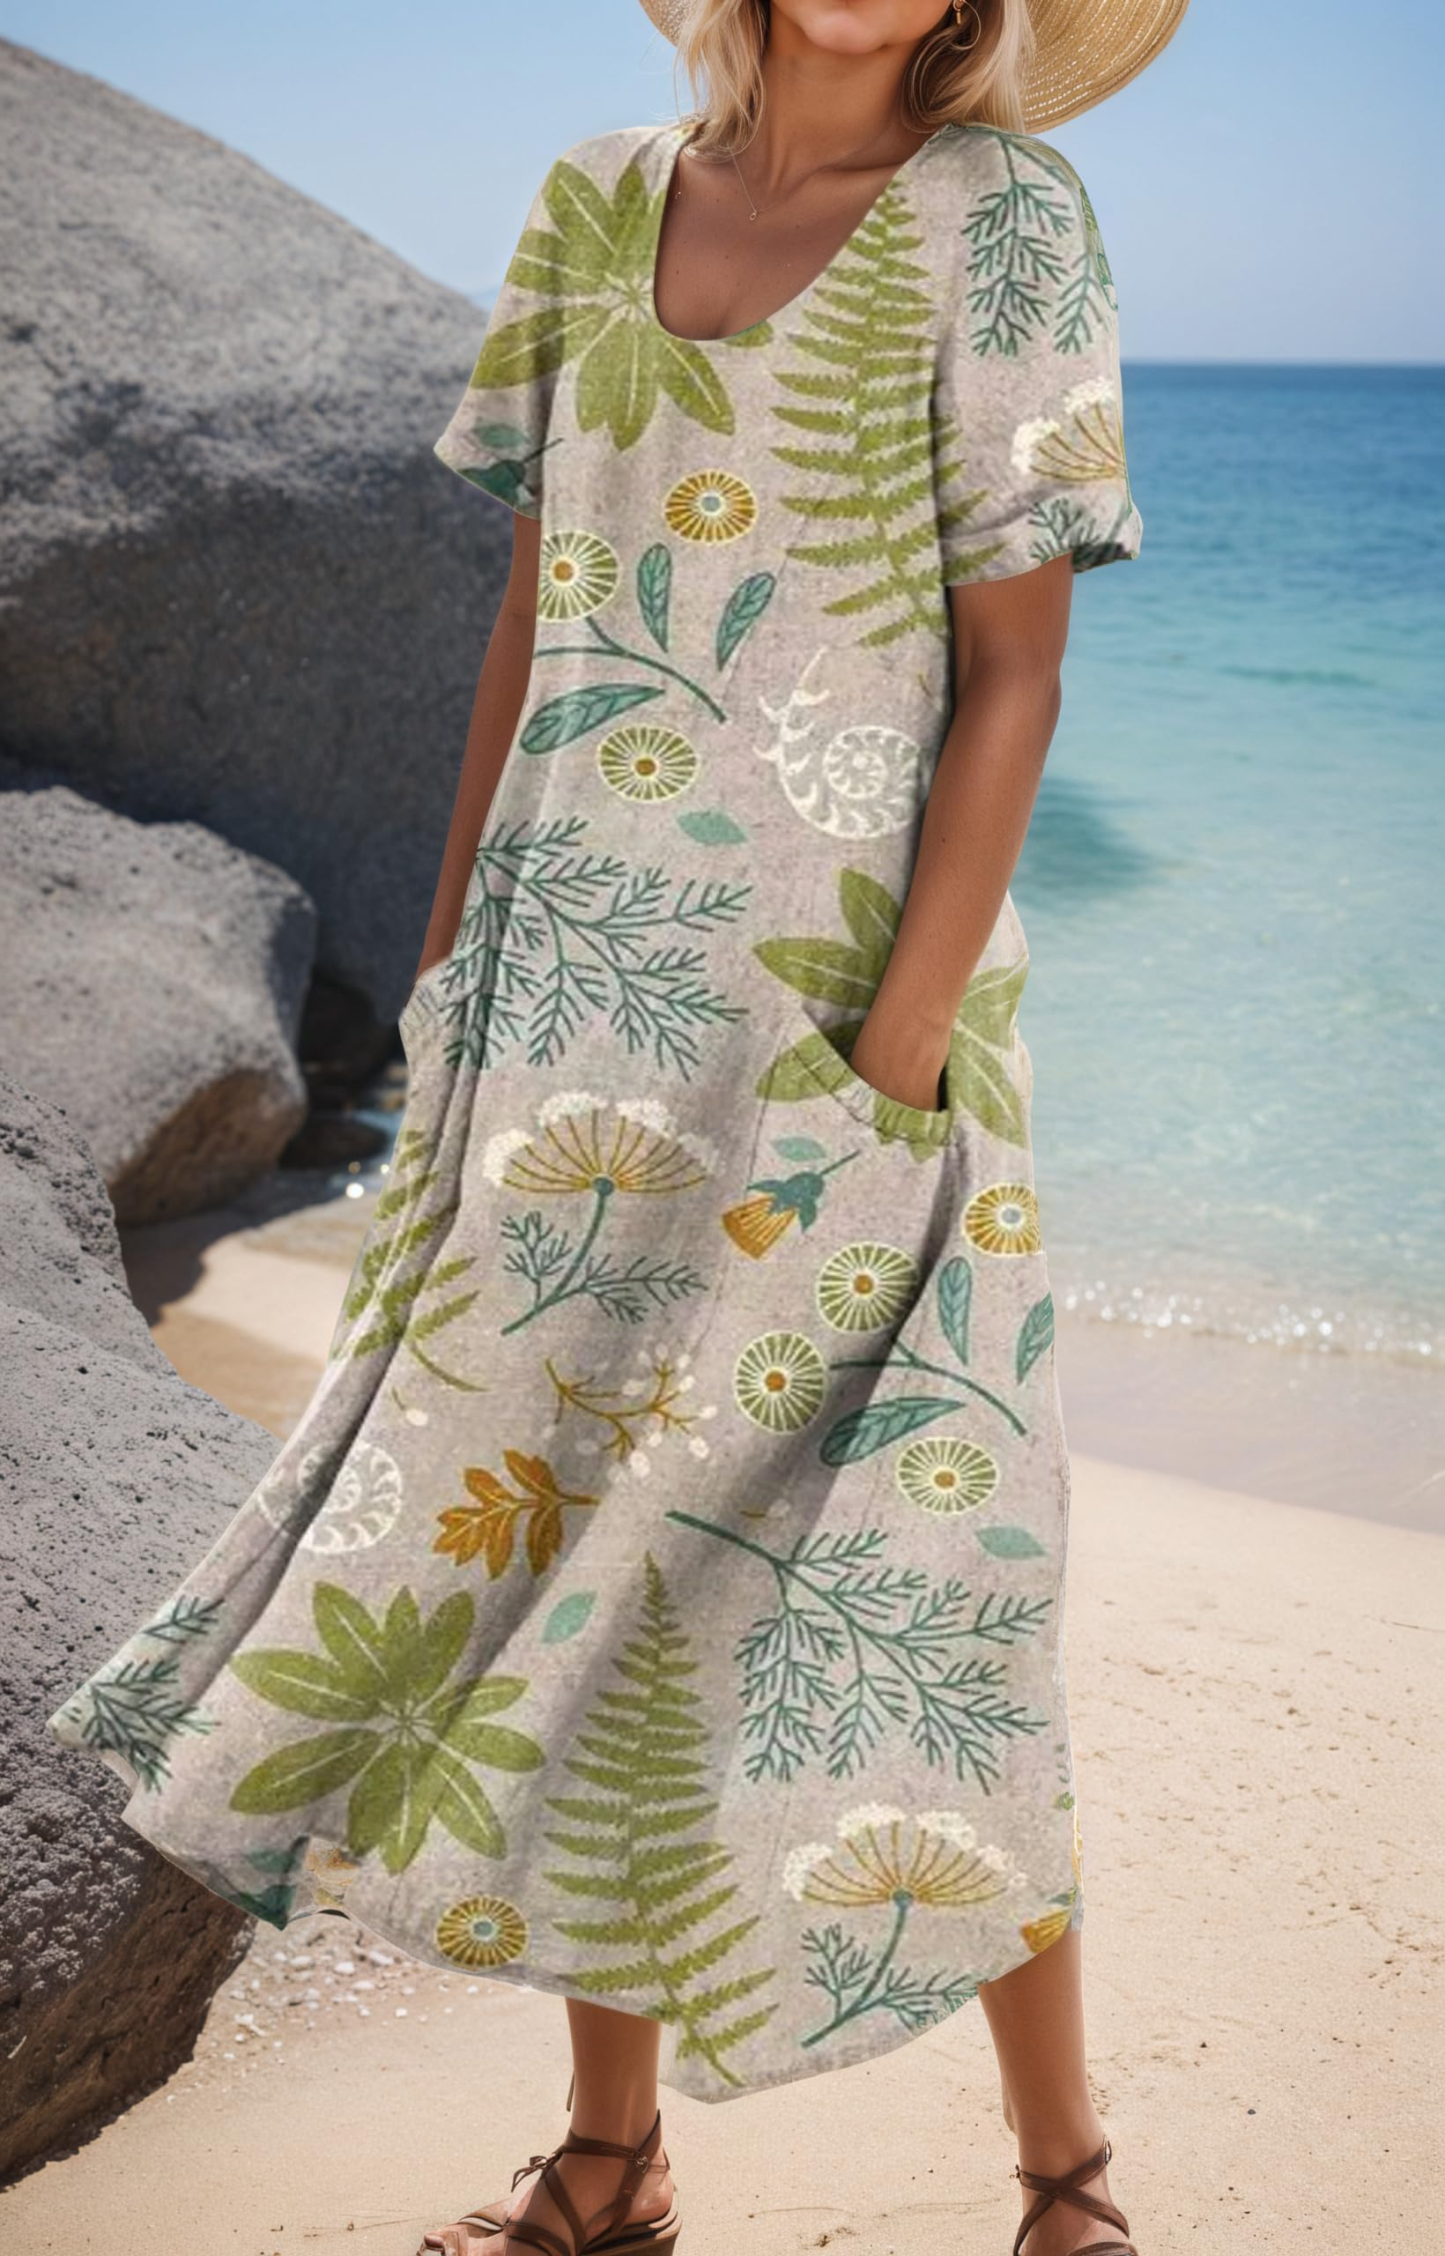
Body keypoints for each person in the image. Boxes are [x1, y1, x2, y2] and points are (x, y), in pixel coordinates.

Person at [47, 1, 1186, 2249]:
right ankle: (610, 2161)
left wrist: (894, 1057)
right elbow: (535, 608)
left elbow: (1017, 670)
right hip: (568, 1026)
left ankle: (1067, 2187)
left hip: (857, 1032)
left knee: (930, 1601)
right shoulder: (590, 201)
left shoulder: (1003, 219)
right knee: (583, 1566)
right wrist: (459, 957)